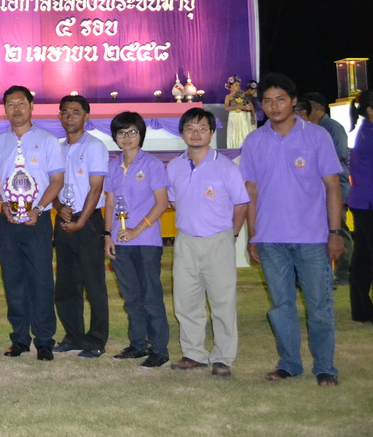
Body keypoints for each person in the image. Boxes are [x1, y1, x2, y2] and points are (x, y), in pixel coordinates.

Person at [242, 73, 344, 386]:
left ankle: (325, 367)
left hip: (312, 239)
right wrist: (253, 234)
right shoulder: (254, 141)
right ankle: (289, 363)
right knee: (281, 306)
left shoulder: (316, 137)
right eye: (268, 101)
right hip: (271, 240)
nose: (274, 106)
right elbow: (252, 191)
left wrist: (335, 232)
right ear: (261, 106)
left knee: (320, 307)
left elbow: (332, 187)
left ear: (294, 101)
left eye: (280, 99)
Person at [167, 108, 249, 377]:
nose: (196, 133)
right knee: (186, 302)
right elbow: (173, 200)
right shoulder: (175, 166)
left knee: (222, 302)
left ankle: (223, 357)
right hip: (186, 241)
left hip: (218, 241)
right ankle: (194, 354)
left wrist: (231, 236)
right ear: (182, 134)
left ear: (212, 133)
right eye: (190, 128)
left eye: (202, 128)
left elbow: (240, 205)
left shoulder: (225, 167)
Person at [0, 86, 64, 362]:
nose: (16, 109)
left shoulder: (47, 141)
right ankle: (19, 339)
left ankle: (44, 340)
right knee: (13, 281)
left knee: (42, 280)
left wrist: (40, 209)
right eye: (10, 104)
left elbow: (57, 181)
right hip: (8, 221)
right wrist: (1, 204)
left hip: (38, 221)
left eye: (21, 103)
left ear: (31, 106)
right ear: (4, 108)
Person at [103, 111, 170, 368]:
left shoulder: (152, 164)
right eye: (121, 133)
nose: (127, 137)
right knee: (131, 297)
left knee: (151, 296)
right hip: (119, 242)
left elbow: (162, 203)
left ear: (141, 134)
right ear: (115, 137)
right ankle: (138, 345)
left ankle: (159, 349)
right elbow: (109, 203)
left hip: (146, 241)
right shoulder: (113, 166)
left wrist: (137, 230)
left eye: (132, 132)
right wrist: (107, 235)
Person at [51, 94, 110, 359]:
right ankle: (73, 336)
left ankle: (96, 339)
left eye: (75, 112)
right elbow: (50, 184)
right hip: (63, 219)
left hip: (88, 221)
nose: (69, 117)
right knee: (66, 284)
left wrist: (81, 221)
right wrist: (56, 205)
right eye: (65, 112)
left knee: (93, 283)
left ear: (86, 115)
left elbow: (96, 188)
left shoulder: (95, 146)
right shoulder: (57, 148)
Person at [301, 91, 352, 286]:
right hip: (317, 191)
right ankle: (324, 275)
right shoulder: (310, 129)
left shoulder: (332, 128)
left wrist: (314, 162)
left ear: (315, 108)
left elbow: (340, 156)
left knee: (339, 231)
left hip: (336, 188)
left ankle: (345, 274)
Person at [348, 90, 373, 323]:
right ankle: (362, 309)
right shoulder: (369, 134)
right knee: (364, 257)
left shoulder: (363, 132)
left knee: (363, 257)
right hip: (368, 202)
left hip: (362, 201)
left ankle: (362, 310)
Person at [223, 76, 254, 149]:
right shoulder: (228, 97)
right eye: (236, 85)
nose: (238, 86)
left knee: (243, 133)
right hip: (234, 117)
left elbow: (250, 105)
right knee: (235, 134)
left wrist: (251, 114)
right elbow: (226, 107)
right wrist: (239, 107)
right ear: (231, 86)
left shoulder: (243, 95)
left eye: (239, 85)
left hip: (242, 117)